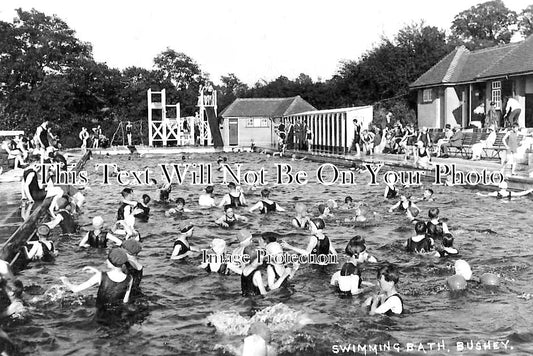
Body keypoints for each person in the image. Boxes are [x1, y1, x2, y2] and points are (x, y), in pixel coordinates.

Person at [60, 248, 133, 309]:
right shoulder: (130, 278)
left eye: (108, 259)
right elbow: (125, 301)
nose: (106, 261)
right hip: (117, 311)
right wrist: (96, 271)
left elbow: (75, 289)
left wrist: (66, 281)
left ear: (111, 263)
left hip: (100, 311)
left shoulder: (100, 276)